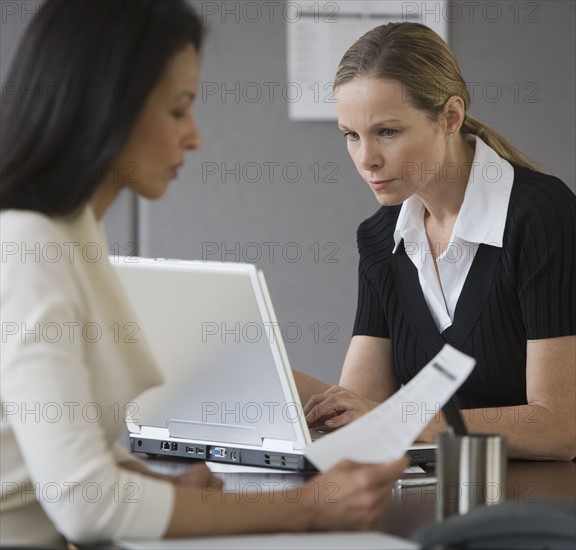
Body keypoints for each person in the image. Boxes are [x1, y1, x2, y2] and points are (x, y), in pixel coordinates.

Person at [0, 2, 406, 547]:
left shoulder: (73, 231)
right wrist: (307, 507)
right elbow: (85, 506)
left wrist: (161, 489)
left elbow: (46, 456)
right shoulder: (29, 246)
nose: (194, 137)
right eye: (177, 110)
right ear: (107, 108)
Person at [300, 22, 576, 462]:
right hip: (430, 502)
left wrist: (407, 418)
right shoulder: (379, 238)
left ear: (450, 117)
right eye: (351, 135)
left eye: (387, 132)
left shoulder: (540, 215)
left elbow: (560, 426)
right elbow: (356, 407)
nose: (366, 158)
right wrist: (262, 373)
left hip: (536, 508)